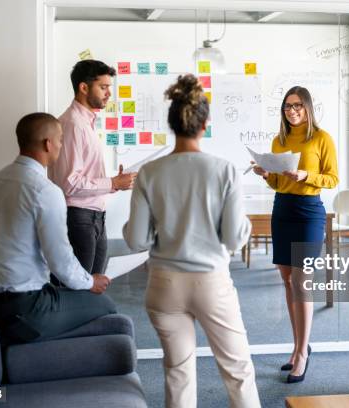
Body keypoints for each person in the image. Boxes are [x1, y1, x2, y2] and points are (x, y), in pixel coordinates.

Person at [123, 74, 261, 408]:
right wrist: (243, 225)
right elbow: (233, 236)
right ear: (205, 124)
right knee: (238, 370)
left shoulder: (149, 173)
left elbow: (137, 240)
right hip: (211, 281)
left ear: (172, 124)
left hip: (164, 284)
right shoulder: (224, 170)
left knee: (178, 372)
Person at [0, 113, 115, 346]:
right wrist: (91, 282)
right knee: (104, 303)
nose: (61, 145)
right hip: (25, 309)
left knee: (76, 294)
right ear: (48, 144)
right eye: (59, 139)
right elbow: (61, 261)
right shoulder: (44, 190)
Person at [252, 86, 338, 383]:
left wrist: (306, 176)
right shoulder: (280, 140)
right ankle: (297, 345)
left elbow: (332, 177)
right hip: (283, 209)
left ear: (308, 108)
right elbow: (278, 182)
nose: (292, 111)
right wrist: (267, 175)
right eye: (287, 106)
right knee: (288, 281)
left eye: (298, 106)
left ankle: (302, 353)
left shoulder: (322, 138)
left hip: (309, 211)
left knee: (302, 282)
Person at [49, 59, 135, 280]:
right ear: (84, 87)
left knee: (91, 285)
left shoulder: (85, 123)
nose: (108, 94)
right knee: (78, 287)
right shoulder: (73, 125)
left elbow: (82, 176)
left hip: (93, 216)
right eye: (103, 87)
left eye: (109, 88)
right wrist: (113, 183)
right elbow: (70, 183)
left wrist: (114, 183)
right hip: (79, 218)